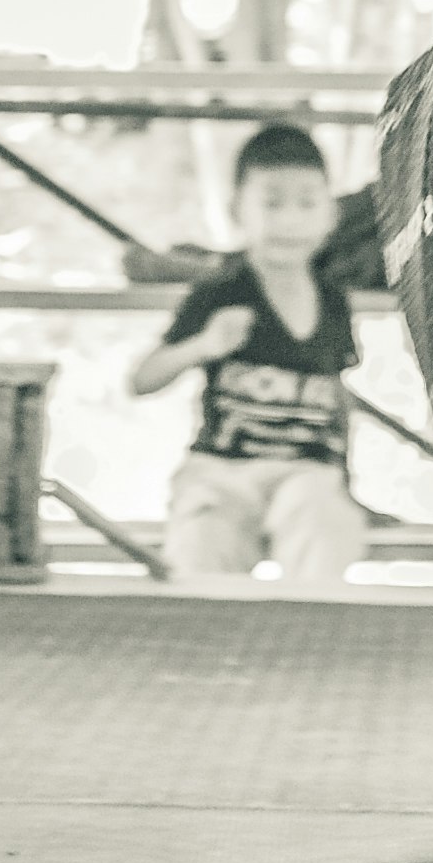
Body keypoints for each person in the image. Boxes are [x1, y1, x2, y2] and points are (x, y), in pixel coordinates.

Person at [130, 123, 367, 587]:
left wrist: (348, 484)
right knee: (202, 538)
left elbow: (336, 395)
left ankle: (310, 642)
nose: (290, 220)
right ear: (238, 208)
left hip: (306, 471)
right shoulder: (220, 291)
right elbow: (142, 379)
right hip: (224, 470)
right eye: (272, 203)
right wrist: (202, 346)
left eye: (307, 203)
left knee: (322, 523)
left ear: (331, 214)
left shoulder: (333, 298)